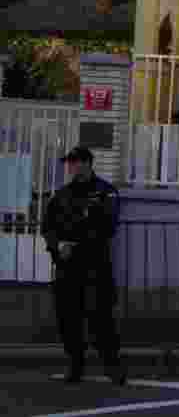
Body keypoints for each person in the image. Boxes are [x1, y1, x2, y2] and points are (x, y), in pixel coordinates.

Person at [41, 146, 126, 385]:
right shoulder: (61, 195)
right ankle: (75, 364)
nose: (71, 167)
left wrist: (77, 239)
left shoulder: (105, 192)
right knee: (68, 317)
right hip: (68, 266)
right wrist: (58, 246)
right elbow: (48, 227)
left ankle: (112, 365)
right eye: (69, 163)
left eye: (75, 162)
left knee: (101, 317)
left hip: (95, 263)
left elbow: (109, 225)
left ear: (87, 163)